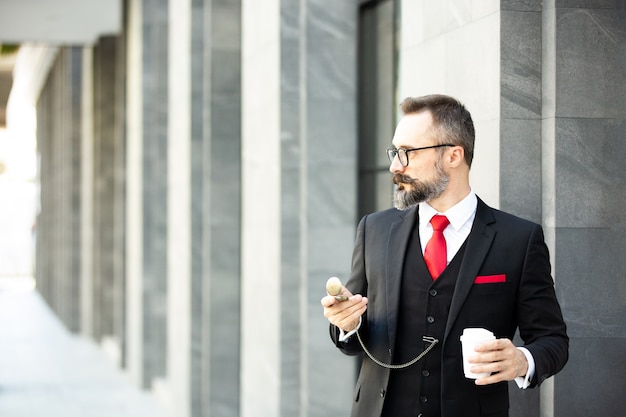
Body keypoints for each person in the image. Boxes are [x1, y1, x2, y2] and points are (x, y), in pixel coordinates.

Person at [321, 94, 568, 417]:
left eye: (407, 153)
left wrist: (523, 360)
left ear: (453, 155)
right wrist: (348, 324)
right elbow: (356, 338)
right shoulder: (374, 230)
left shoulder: (519, 239)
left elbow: (552, 340)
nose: (395, 166)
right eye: (395, 152)